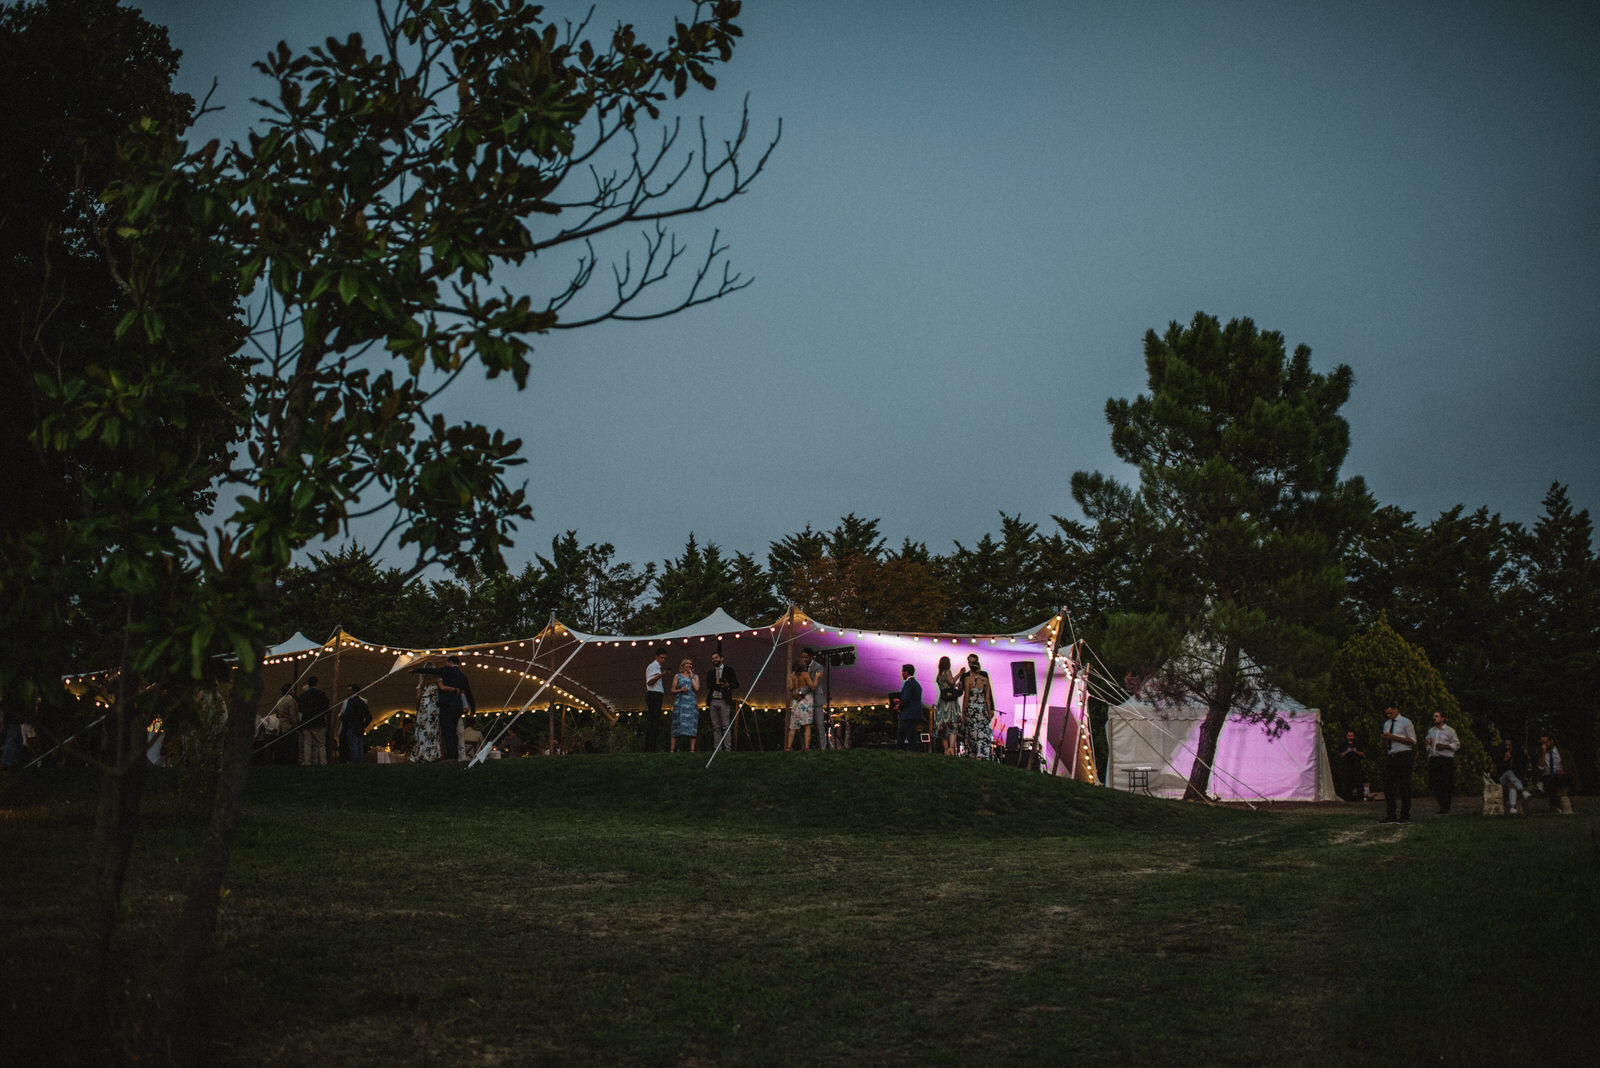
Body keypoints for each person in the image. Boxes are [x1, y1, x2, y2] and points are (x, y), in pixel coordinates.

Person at [1378, 704, 1416, 823]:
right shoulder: (1387, 724)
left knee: (1404, 786)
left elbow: (1412, 741)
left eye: (1391, 713)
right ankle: (1391, 814)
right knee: (1388, 786)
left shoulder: (1406, 722)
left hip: (1404, 755)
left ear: (1396, 709)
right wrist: (1383, 739)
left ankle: (1405, 815)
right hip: (1392, 755)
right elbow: (1383, 745)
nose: (1389, 715)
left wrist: (1393, 737)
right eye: (1387, 714)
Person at [960, 654, 996, 760]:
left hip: (971, 709)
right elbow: (987, 698)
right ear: (979, 667)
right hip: (982, 709)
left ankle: (972, 753)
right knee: (982, 732)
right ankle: (982, 754)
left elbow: (966, 697)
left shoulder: (967, 679)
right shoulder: (985, 679)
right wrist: (989, 710)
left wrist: (963, 712)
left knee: (972, 732)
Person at [1423, 710, 1461, 814]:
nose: (1434, 718)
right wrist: (1428, 743)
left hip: (1445, 759)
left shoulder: (1450, 731)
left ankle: (1446, 807)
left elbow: (1457, 745)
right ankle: (1441, 806)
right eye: (1434, 716)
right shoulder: (1431, 731)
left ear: (1443, 718)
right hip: (1434, 759)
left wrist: (1445, 746)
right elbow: (1428, 745)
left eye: (1437, 716)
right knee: (1435, 783)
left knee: (1446, 783)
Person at [704, 650, 740, 752]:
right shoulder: (710, 672)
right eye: (713, 658)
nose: (714, 660)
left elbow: (736, 684)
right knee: (716, 726)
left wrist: (727, 685)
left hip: (724, 700)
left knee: (725, 725)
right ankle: (717, 749)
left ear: (721, 658)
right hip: (713, 700)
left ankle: (727, 748)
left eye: (716, 657)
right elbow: (708, 685)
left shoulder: (729, 670)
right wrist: (719, 686)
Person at [1536, 733, 1578, 813]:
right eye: (1542, 743)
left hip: (1560, 775)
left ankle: (1556, 806)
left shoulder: (1563, 752)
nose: (1544, 745)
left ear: (1551, 741)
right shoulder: (1541, 753)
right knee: (1550, 781)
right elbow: (1540, 767)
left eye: (1545, 742)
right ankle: (1556, 806)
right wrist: (1544, 753)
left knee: (1563, 778)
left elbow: (1571, 767)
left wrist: (1564, 771)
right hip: (1547, 775)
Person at [931, 656, 962, 756]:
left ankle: (945, 749)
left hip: (942, 701)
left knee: (942, 726)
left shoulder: (939, 674)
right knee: (952, 724)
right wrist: (960, 673)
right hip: (950, 703)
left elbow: (948, 684)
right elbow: (951, 681)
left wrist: (954, 685)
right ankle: (951, 748)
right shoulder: (947, 671)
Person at [296, 677, 331, 766]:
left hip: (306, 722)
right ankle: (323, 762)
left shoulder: (303, 696)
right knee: (321, 744)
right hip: (318, 722)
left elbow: (300, 708)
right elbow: (326, 707)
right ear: (316, 684)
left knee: (307, 743)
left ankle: (307, 762)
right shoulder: (321, 694)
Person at [670, 657, 700, 753]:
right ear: (683, 665)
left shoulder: (695, 676)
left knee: (692, 725)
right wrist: (680, 690)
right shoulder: (677, 676)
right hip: (680, 702)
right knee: (676, 724)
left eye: (691, 664)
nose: (689, 665)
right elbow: (672, 690)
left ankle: (692, 750)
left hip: (691, 702)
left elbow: (697, 688)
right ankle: (672, 749)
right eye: (687, 663)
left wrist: (691, 676)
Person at [411, 671, 442, 763]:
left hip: (424, 706)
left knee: (423, 729)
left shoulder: (421, 684)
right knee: (432, 729)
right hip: (433, 706)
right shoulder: (437, 681)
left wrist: (417, 707)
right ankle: (432, 753)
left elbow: (418, 697)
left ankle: (421, 753)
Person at [339, 682, 372, 764]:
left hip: (352, 726)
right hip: (360, 726)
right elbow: (369, 716)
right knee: (359, 746)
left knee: (353, 746)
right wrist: (364, 725)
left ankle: (354, 764)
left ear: (353, 691)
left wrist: (342, 717)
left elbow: (348, 714)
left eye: (349, 691)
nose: (348, 692)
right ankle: (360, 763)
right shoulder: (362, 702)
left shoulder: (351, 702)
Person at [802, 647, 829, 750]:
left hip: (816, 699)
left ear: (811, 657)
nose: (804, 659)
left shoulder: (819, 667)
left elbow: (814, 685)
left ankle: (823, 748)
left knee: (819, 725)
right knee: (804, 726)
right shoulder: (801, 667)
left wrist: (801, 692)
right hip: (805, 701)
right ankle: (804, 748)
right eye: (802, 657)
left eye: (806, 657)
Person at [1494, 738, 1527, 816]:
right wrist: (1505, 760)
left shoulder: (1519, 755)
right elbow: (1498, 770)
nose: (1508, 747)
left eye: (1510, 745)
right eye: (1506, 745)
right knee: (1509, 772)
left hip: (1515, 780)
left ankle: (1512, 808)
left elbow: (1521, 770)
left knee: (1512, 784)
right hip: (1503, 779)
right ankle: (1522, 790)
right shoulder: (1501, 754)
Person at [269, 683, 300, 765]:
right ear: (290, 691)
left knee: (282, 747)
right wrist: (296, 725)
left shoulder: (279, 700)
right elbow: (293, 715)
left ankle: (281, 762)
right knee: (291, 747)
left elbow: (277, 714)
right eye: (292, 689)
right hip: (289, 727)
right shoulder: (291, 700)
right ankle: (290, 762)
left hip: (281, 727)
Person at [643, 648, 667, 752]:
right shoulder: (653, 666)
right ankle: (650, 747)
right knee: (652, 721)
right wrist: (662, 675)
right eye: (661, 657)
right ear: (656, 657)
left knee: (655, 721)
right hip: (653, 694)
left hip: (657, 694)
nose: (663, 660)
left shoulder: (657, 667)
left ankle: (651, 746)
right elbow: (649, 682)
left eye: (664, 658)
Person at [786, 659, 813, 752]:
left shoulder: (792, 676)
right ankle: (806, 747)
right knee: (807, 726)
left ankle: (789, 747)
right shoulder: (805, 675)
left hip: (796, 702)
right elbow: (811, 686)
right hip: (806, 701)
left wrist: (796, 693)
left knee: (793, 726)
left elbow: (790, 688)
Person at [897, 664, 924, 751]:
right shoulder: (917, 684)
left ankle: (912, 751)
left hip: (908, 713)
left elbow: (906, 698)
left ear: (906, 672)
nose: (901, 674)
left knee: (909, 734)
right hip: (915, 713)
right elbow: (913, 698)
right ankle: (901, 748)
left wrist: (899, 705)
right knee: (905, 732)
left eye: (902, 672)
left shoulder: (908, 684)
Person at [1338, 730, 1366, 802]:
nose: (1350, 737)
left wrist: (1356, 751)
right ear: (1347, 736)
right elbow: (1340, 755)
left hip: (1356, 765)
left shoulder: (1357, 743)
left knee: (1359, 782)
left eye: (1351, 736)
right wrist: (1346, 751)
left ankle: (1360, 798)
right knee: (1347, 782)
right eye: (1349, 736)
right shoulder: (1343, 744)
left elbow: (1362, 754)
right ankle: (1348, 798)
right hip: (1347, 766)